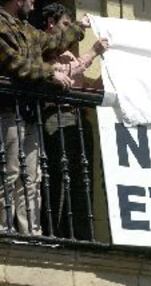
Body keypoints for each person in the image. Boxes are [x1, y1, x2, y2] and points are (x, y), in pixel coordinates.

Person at [0, 0, 90, 234]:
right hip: (7, 112)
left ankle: (30, 233)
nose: (33, 1)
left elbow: (53, 41)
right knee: (8, 174)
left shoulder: (26, 29)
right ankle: (4, 230)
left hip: (28, 113)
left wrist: (80, 27)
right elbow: (17, 65)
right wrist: (51, 72)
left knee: (32, 179)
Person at [39, 2, 108, 239]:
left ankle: (79, 233)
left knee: (81, 177)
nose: (69, 30)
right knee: (60, 173)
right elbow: (62, 71)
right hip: (55, 118)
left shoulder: (69, 53)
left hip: (79, 120)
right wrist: (93, 53)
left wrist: (108, 76)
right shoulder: (40, 46)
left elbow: (86, 86)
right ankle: (57, 231)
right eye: (65, 25)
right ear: (51, 24)